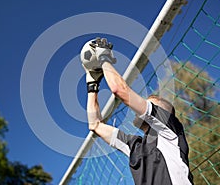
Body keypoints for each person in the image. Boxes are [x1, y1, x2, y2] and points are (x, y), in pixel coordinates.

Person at [82, 38, 194, 185]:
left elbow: (119, 90)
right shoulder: (134, 145)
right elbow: (95, 125)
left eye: (151, 102)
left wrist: (104, 58)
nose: (144, 104)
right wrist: (92, 85)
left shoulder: (170, 129)